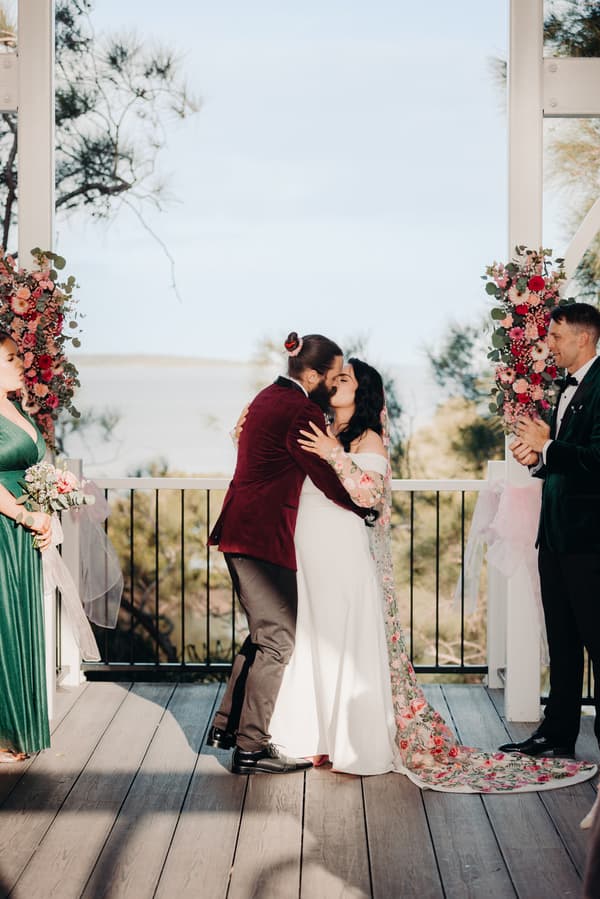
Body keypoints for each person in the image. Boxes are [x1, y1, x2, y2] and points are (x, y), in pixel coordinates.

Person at [267, 355, 596, 791]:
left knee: (349, 638)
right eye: (331, 377)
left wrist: (334, 455)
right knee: (318, 638)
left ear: (361, 391)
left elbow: (370, 495)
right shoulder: (322, 429)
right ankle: (318, 734)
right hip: (313, 555)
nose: (332, 382)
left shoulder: (367, 439)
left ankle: (355, 739)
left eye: (342, 378)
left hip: (346, 553)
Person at [206, 332, 372, 775]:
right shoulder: (300, 409)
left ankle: (228, 726)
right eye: (333, 376)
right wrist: (360, 504)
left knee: (263, 636)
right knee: (278, 642)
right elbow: (321, 473)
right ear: (314, 374)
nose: (334, 385)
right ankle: (251, 748)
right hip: (262, 538)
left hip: (241, 532)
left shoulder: (267, 396)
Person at [499, 302, 600, 758]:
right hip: (556, 536)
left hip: (590, 541)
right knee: (560, 640)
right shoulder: (567, 388)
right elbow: (564, 461)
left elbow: (596, 462)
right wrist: (538, 459)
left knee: (596, 641)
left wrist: (550, 446)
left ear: (583, 337)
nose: (550, 345)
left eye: (556, 337)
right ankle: (556, 735)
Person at [0, 332, 52, 763]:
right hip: (4, 528)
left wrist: (47, 513)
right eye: (10, 358)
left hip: (25, 530)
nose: (20, 364)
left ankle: (17, 727)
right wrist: (26, 516)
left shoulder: (14, 407)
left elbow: (36, 467)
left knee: (18, 620)